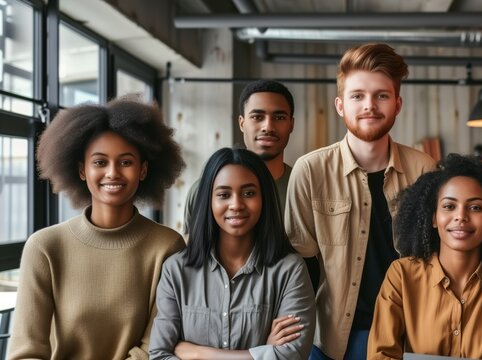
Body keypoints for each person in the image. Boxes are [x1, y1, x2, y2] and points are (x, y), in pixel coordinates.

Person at [284, 43, 436, 359]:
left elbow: (436, 260)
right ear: (340, 105)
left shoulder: (425, 170)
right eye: (358, 96)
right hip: (329, 340)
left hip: (408, 336)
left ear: (397, 103)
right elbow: (297, 264)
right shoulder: (310, 170)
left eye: (381, 95)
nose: (370, 105)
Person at [9, 98, 186, 359]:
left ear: (143, 170)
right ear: (82, 170)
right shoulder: (45, 247)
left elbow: (154, 349)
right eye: (100, 162)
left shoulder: (167, 246)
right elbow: (26, 352)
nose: (113, 173)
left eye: (125, 162)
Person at [149, 148, 315, 359]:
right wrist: (261, 353)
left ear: (264, 198)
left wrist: (199, 353)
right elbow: (159, 355)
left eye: (249, 193)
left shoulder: (290, 270)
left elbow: (291, 355)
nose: (236, 205)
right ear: (208, 201)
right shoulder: (176, 271)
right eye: (223, 195)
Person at [368, 154, 482, 359]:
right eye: (449, 206)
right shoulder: (401, 275)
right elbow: (381, 354)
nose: (461, 216)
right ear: (433, 218)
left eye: (475, 207)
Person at [185, 79, 295, 229]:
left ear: (291, 124)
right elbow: (193, 247)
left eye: (279, 117)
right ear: (242, 123)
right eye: (257, 117)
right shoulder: (204, 190)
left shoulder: (305, 188)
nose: (268, 126)